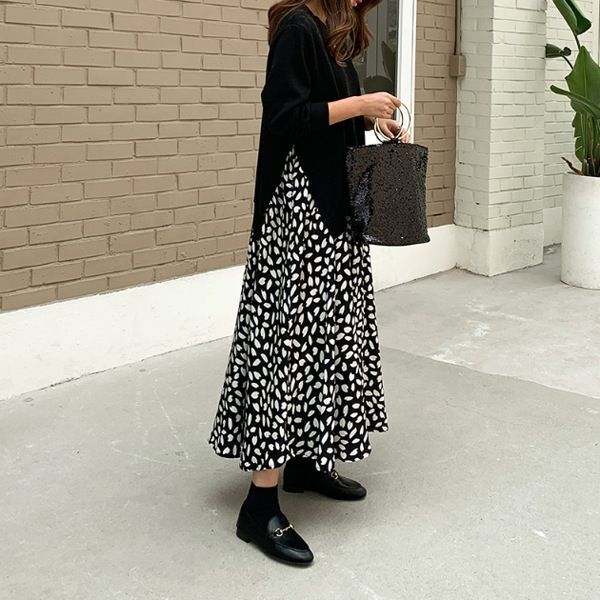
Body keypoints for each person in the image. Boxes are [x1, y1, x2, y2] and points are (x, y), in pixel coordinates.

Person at [208, 0, 408, 566]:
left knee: (326, 339)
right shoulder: (299, 27)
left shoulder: (332, 31)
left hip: (330, 209)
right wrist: (361, 103)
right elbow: (286, 116)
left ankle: (304, 461)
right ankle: (258, 506)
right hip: (299, 213)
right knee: (288, 347)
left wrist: (370, 120)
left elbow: (325, 113)